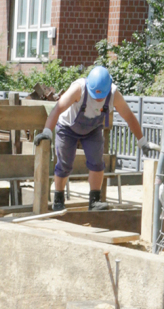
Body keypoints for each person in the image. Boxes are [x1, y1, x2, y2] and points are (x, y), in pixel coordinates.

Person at [34, 65, 150, 210]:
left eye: (101, 96)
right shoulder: (78, 89)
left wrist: (142, 141)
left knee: (97, 162)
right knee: (64, 164)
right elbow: (58, 108)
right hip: (67, 128)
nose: (99, 98)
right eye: (96, 95)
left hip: (93, 130)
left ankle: (94, 201)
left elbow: (129, 117)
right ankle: (58, 199)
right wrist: (47, 131)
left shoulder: (114, 94)